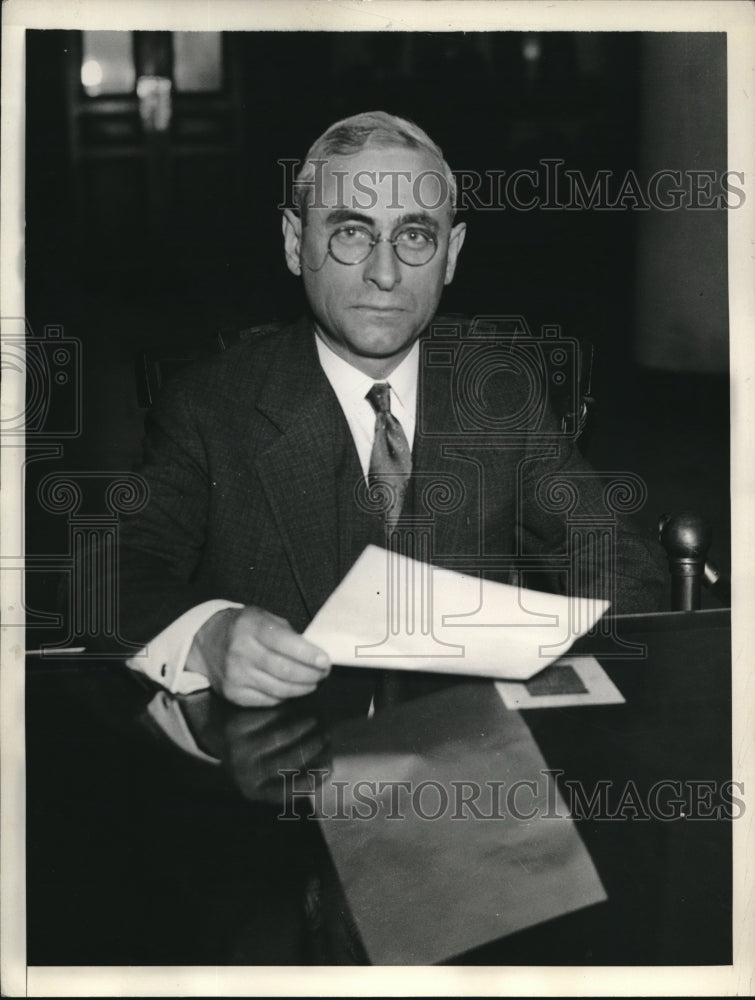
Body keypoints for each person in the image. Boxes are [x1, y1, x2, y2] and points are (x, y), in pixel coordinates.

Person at [113, 111, 666, 707]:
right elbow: (115, 569)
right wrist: (208, 636)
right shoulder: (210, 405)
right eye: (352, 232)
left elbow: (619, 559)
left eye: (415, 236)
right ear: (295, 243)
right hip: (286, 749)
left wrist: (561, 697)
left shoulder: (498, 391)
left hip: (466, 745)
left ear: (451, 254)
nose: (385, 273)